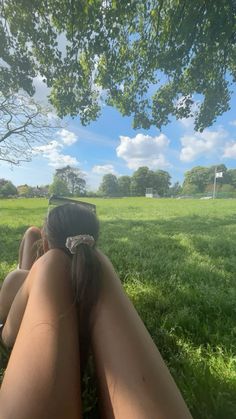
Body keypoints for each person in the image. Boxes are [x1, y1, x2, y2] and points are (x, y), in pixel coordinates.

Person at [0, 203, 193, 419]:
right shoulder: (100, 273)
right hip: (81, 268)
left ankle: (39, 248)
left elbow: (8, 337)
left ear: (45, 243)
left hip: (32, 277)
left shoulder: (28, 275)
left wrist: (37, 268)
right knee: (87, 261)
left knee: (46, 259)